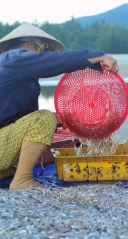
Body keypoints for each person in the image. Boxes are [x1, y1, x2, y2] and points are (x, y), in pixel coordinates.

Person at [0, 22, 119, 190]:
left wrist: (53, 121)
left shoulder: (16, 70)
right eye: (43, 50)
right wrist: (98, 56)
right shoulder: (13, 58)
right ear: (31, 44)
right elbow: (57, 62)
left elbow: (18, 120)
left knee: (45, 119)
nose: (44, 54)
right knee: (43, 119)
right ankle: (22, 180)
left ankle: (6, 171)